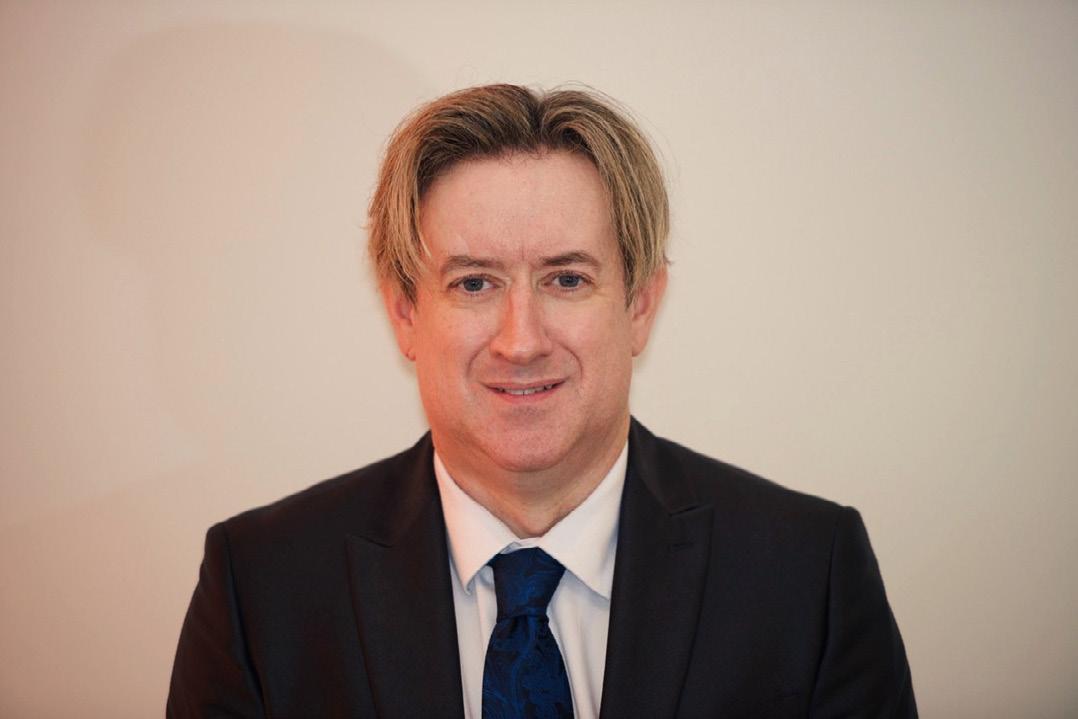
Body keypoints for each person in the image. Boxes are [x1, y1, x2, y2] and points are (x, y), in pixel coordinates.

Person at [168, 84, 916, 718]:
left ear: (640, 305)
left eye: (566, 279)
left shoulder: (809, 574)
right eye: (473, 283)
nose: (520, 341)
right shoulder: (259, 588)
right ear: (405, 313)